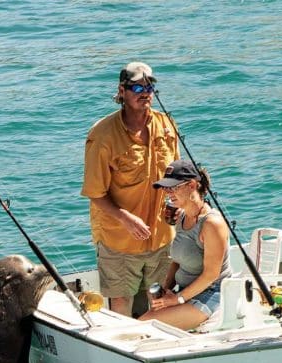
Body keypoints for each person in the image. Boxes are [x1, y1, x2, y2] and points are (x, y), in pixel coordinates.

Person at [82, 61, 180, 317]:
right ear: (122, 91)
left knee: (160, 298)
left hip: (162, 235)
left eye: (149, 86)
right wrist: (126, 218)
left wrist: (183, 209)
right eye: (137, 87)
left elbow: (178, 175)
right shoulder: (102, 135)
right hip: (120, 240)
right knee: (122, 303)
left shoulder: (167, 125)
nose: (144, 92)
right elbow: (95, 193)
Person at [139, 160, 230, 330]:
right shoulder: (182, 217)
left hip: (212, 295)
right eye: (166, 188)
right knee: (144, 322)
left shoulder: (212, 224)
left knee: (143, 326)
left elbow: (211, 275)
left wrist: (177, 299)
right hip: (184, 291)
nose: (168, 193)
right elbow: (177, 261)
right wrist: (166, 290)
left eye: (174, 187)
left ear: (192, 185)